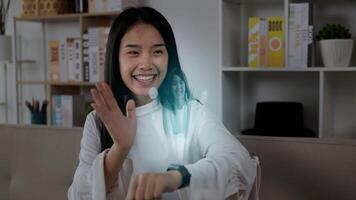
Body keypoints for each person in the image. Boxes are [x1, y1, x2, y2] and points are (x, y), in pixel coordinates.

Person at [68, 6, 256, 200]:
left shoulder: (189, 112)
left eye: (157, 51)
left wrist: (175, 177)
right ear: (116, 59)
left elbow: (238, 161)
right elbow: (78, 196)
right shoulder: (98, 121)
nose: (146, 64)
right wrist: (120, 148)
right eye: (134, 53)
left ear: (169, 57)